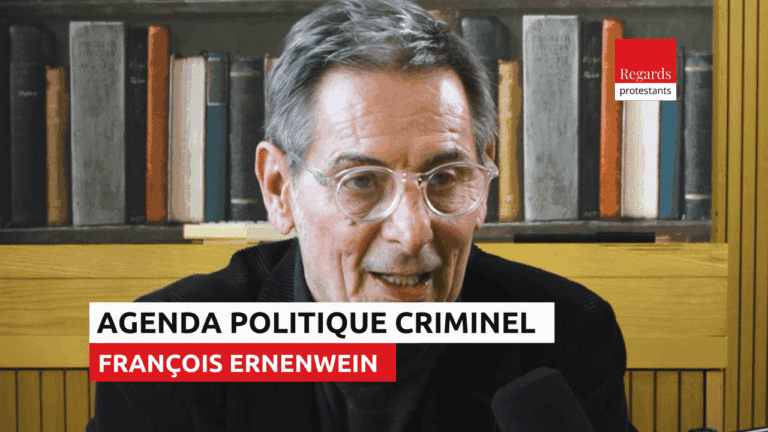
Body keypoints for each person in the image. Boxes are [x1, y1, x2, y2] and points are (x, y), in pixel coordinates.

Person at [88, 0, 637, 430]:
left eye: (445, 177)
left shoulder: (569, 335)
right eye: (362, 182)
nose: (412, 233)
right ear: (279, 189)